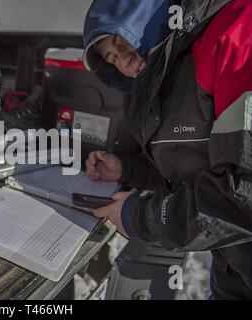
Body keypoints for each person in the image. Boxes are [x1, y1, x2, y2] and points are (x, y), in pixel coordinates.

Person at [83, 0, 252, 299]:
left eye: (123, 40)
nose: (123, 59)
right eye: (110, 57)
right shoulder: (164, 81)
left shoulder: (236, 33)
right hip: (233, 271)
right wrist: (128, 168)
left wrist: (141, 217)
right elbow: (194, 167)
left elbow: (242, 194)